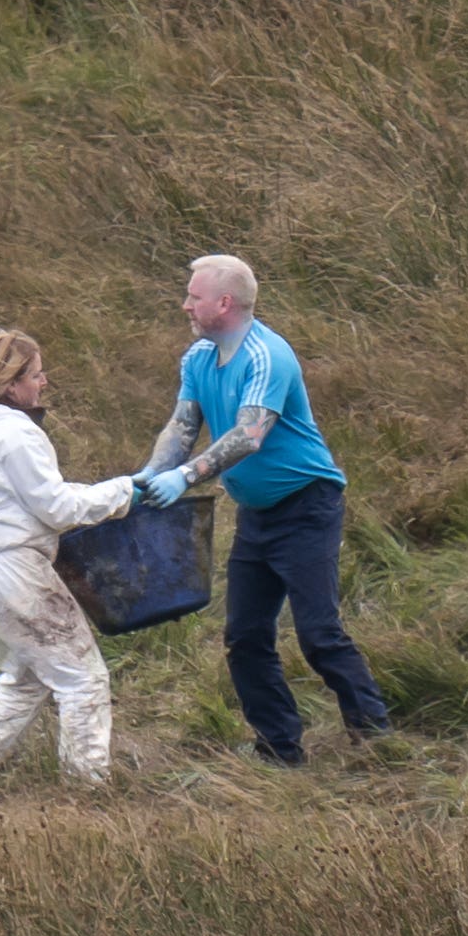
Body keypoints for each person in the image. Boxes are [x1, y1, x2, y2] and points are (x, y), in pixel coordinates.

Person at [141, 252, 388, 767]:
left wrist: (185, 477)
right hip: (257, 515)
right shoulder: (198, 357)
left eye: (195, 296)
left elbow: (250, 434)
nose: (185, 304)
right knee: (246, 638)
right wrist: (148, 477)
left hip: (307, 507)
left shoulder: (266, 356)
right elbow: (184, 426)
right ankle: (279, 749)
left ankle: (377, 740)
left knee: (319, 634)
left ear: (224, 302)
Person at [0, 328, 145, 788]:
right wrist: (126, 491)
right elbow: (57, 508)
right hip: (12, 569)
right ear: (12, 385)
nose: (43, 383)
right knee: (82, 678)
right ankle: (87, 786)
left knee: (26, 675)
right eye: (37, 375)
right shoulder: (15, 432)